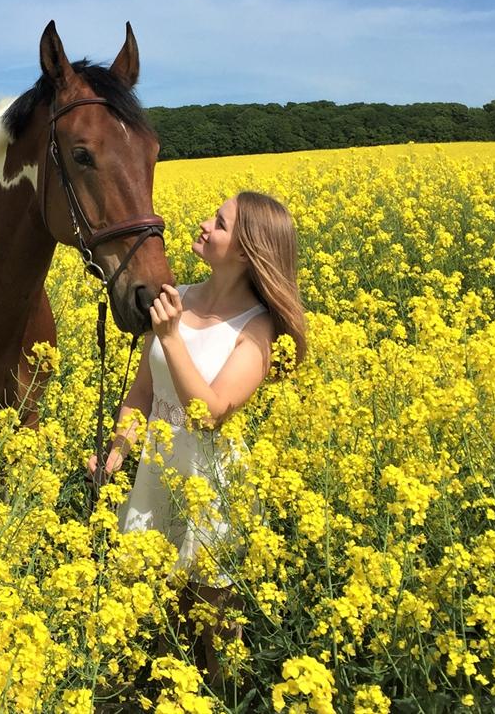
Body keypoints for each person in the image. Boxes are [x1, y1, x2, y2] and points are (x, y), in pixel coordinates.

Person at [87, 191, 308, 686]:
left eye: (221, 222)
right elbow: (140, 396)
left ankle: (226, 695)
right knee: (163, 620)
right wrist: (118, 453)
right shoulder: (177, 297)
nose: (205, 223)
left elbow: (208, 414)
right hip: (156, 474)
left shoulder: (258, 329)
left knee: (216, 627)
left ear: (247, 250)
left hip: (211, 487)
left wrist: (170, 337)